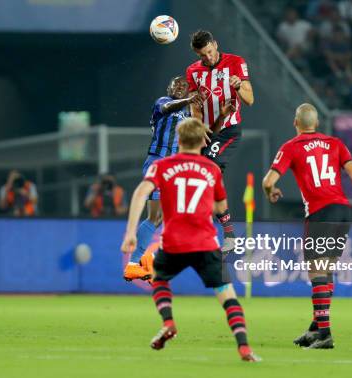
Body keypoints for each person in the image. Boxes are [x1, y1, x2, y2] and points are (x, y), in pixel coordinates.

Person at [121, 118, 260, 362]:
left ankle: (169, 322)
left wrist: (131, 232)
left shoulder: (162, 166)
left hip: (174, 241)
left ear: (179, 140)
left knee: (158, 278)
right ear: (202, 141)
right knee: (226, 294)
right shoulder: (212, 169)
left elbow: (141, 192)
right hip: (205, 242)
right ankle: (244, 348)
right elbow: (221, 206)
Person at [262, 103, 352, 349]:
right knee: (326, 272)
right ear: (316, 123)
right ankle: (316, 328)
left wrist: (270, 191)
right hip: (343, 211)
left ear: (296, 122)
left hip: (320, 212)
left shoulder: (291, 147)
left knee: (317, 271)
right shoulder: (335, 143)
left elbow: (268, 180)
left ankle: (325, 334)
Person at [123, 76, 202, 281]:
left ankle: (146, 260)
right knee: (155, 216)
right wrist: (189, 99)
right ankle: (134, 263)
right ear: (169, 88)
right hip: (158, 163)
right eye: (175, 84)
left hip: (174, 169)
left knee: (167, 217)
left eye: (183, 86)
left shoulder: (187, 114)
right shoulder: (162, 103)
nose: (179, 87)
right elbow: (168, 107)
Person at [186, 30, 254, 253]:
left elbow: (250, 99)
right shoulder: (193, 72)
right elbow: (195, 106)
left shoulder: (235, 62)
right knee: (201, 177)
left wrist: (237, 86)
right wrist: (198, 127)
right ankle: (227, 233)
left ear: (215, 44)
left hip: (228, 129)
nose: (208, 58)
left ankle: (220, 232)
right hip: (207, 133)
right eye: (203, 55)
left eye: (210, 52)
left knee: (209, 168)